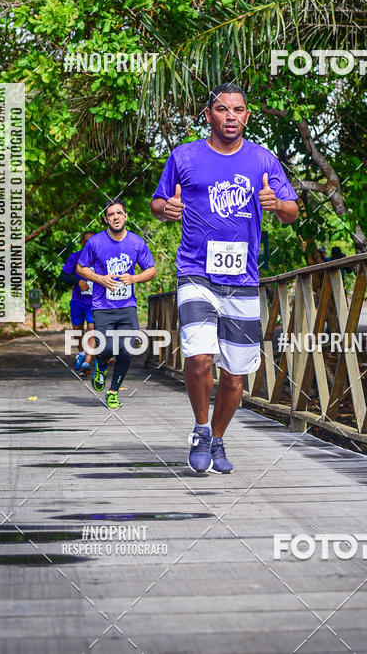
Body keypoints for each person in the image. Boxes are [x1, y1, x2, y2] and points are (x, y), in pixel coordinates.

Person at [151, 82, 299, 473]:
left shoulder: (263, 161)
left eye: (238, 110)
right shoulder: (184, 156)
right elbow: (157, 201)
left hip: (243, 280)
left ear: (247, 116)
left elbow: (291, 212)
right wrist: (166, 209)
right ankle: (201, 429)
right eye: (222, 110)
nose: (230, 116)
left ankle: (217, 439)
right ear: (208, 115)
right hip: (195, 271)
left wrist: (277, 204)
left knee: (235, 375)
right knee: (199, 357)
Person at [76, 198, 156, 409]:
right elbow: (81, 268)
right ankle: (101, 366)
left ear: (126, 216)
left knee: (127, 349)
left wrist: (134, 278)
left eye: (119, 213)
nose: (115, 217)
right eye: (111, 214)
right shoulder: (95, 243)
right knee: (106, 347)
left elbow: (151, 270)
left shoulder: (137, 242)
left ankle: (112, 392)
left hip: (127, 306)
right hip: (103, 306)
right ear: (106, 219)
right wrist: (100, 279)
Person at [60, 231, 95, 377]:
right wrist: (78, 281)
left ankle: (87, 362)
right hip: (78, 300)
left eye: (91, 241)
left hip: (95, 301)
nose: (89, 244)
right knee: (77, 329)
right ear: (82, 242)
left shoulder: (101, 258)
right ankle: (81, 352)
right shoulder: (75, 257)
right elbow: (63, 276)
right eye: (86, 241)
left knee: (92, 328)